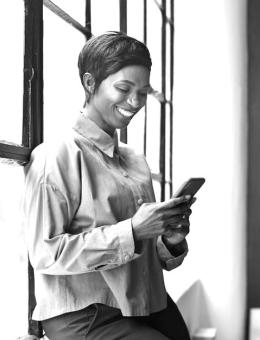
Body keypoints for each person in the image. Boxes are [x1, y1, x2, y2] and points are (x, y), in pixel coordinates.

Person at [23, 31, 193, 340]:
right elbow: (45, 253)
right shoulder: (56, 156)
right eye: (123, 88)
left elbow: (138, 254)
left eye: (143, 92)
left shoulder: (134, 160)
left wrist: (169, 240)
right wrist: (133, 230)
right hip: (85, 314)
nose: (135, 101)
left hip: (144, 302)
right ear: (90, 83)